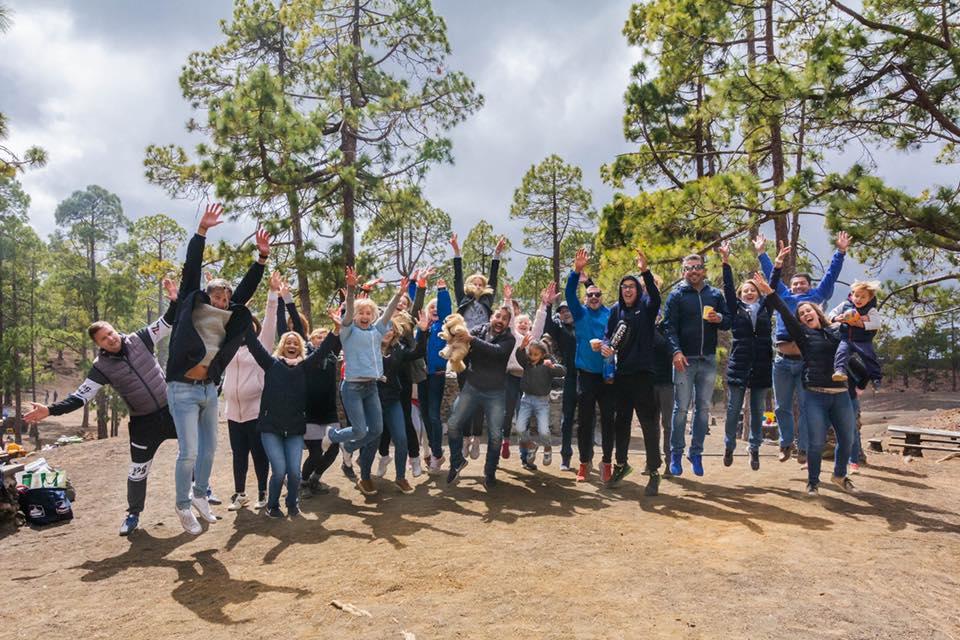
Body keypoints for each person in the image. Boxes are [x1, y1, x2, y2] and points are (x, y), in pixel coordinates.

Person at [24, 278, 180, 536]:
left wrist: (174, 299)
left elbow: (167, 322)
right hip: (143, 422)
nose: (110, 339)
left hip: (172, 410)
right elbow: (80, 397)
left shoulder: (140, 338)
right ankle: (133, 514)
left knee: (194, 450)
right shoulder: (101, 367)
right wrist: (49, 411)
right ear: (99, 345)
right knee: (138, 469)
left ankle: (200, 492)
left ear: (115, 329)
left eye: (110, 333)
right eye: (103, 339)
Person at [165, 202, 271, 535]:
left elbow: (247, 289)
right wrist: (202, 232)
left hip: (209, 389)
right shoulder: (191, 304)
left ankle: (199, 496)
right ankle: (182, 505)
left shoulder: (232, 315)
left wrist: (262, 258)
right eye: (217, 295)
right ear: (206, 295)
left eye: (226, 297)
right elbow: (191, 268)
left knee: (210, 449)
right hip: (181, 388)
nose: (222, 301)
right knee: (189, 451)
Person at [750, 272, 858, 496]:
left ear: (817, 312)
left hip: (840, 394)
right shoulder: (803, 336)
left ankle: (839, 475)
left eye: (808, 310)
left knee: (847, 439)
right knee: (816, 443)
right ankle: (813, 482)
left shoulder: (835, 332)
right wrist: (770, 292)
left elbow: (853, 344)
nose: (805, 313)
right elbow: (783, 312)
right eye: (801, 314)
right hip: (816, 394)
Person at [756, 231, 850, 464]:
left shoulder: (818, 296)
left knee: (808, 407)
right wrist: (762, 254)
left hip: (807, 362)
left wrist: (840, 252)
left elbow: (830, 276)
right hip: (782, 361)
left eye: (803, 284)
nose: (798, 286)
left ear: (809, 286)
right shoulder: (784, 296)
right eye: (795, 284)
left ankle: (804, 448)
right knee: (781, 407)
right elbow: (771, 275)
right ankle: (785, 443)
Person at [243, 315, 342, 518]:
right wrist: (243, 318)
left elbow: (324, 350)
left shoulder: (305, 367)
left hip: (295, 429)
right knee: (279, 471)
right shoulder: (270, 364)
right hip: (271, 428)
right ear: (282, 346)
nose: (291, 345)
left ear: (300, 348)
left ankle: (292, 503)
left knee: (295, 473)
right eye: (287, 342)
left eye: (295, 343)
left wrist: (337, 328)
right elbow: (253, 345)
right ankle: (273, 506)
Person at [325, 269, 407, 459]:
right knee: (360, 430)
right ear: (355, 315)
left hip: (371, 386)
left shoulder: (377, 330)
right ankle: (332, 435)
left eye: (368, 312)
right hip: (352, 387)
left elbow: (387, 314)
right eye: (361, 312)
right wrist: (352, 289)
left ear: (372, 316)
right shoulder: (348, 330)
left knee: (376, 430)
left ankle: (349, 447)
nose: (365, 315)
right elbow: (347, 315)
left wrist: (398, 294)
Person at [663, 253, 731, 477]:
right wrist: (675, 351)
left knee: (703, 410)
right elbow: (668, 327)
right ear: (684, 271)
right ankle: (676, 453)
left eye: (697, 267)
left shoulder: (715, 294)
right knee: (681, 409)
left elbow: (729, 320)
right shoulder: (676, 295)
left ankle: (696, 453)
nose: (693, 271)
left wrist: (719, 318)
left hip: (708, 360)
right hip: (684, 359)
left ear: (704, 270)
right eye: (689, 268)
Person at [601, 249, 661, 493]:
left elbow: (655, 298)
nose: (627, 290)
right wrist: (605, 346)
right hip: (622, 375)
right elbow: (608, 336)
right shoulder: (616, 310)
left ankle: (654, 470)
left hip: (644, 374)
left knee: (648, 423)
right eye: (624, 286)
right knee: (621, 422)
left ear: (638, 289)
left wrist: (645, 271)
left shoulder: (646, 307)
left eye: (631, 286)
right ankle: (621, 464)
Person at [718, 241, 781, 471]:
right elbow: (727, 287)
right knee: (734, 408)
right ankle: (728, 445)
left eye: (753, 289)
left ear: (758, 292)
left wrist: (776, 263)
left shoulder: (766, 307)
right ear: (741, 294)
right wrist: (726, 262)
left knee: (757, 411)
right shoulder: (735, 309)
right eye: (746, 290)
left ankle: (754, 448)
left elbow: (772, 286)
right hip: (740, 364)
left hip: (762, 364)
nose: (749, 292)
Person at [221, 271, 281, 511]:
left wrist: (273, 293)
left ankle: (262, 492)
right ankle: (239, 493)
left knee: (258, 453)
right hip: (233, 411)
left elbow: (269, 319)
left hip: (256, 409)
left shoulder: (261, 345)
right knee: (238, 454)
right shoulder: (227, 346)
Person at [444, 305, 516, 488]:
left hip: (496, 393)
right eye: (497, 316)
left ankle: (490, 472)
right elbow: (462, 349)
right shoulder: (477, 330)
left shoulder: (509, 339)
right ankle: (457, 461)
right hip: (472, 388)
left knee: (495, 436)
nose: (500, 321)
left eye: (504, 319)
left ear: (508, 323)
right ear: (491, 317)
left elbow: (497, 352)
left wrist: (472, 340)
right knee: (453, 424)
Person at [359, 311, 429, 495]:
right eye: (384, 327)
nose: (388, 331)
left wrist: (423, 331)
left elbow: (418, 352)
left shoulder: (398, 350)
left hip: (392, 400)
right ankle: (364, 477)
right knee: (373, 441)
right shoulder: (367, 346)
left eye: (391, 328)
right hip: (372, 400)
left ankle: (400, 477)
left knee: (401, 438)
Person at [450, 233, 507, 458]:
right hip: (462, 350)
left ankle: (475, 437)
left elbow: (493, 278)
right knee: (465, 394)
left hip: (481, 348)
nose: (478, 284)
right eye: (474, 282)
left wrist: (496, 255)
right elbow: (457, 276)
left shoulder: (486, 301)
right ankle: (465, 439)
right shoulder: (462, 299)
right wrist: (457, 251)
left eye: (481, 283)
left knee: (479, 393)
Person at [565, 248, 613, 483]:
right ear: (585, 298)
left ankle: (607, 463)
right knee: (584, 421)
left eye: (597, 295)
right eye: (590, 295)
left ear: (602, 297)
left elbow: (619, 337)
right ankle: (584, 462)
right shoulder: (580, 313)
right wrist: (577, 271)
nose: (594, 298)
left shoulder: (610, 314)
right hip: (585, 374)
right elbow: (568, 293)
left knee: (607, 419)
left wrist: (609, 346)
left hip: (607, 374)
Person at [375, 269, 429, 479]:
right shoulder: (380, 323)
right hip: (381, 376)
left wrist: (421, 287)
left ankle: (414, 459)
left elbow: (417, 310)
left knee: (405, 419)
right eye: (398, 302)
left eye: (404, 304)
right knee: (383, 422)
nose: (401, 306)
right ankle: (383, 456)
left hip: (402, 374)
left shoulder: (407, 322)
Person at [828, 280, 884, 472]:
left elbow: (876, 323)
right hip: (830, 392)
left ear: (870, 298)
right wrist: (839, 319)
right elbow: (831, 317)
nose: (858, 299)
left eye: (862, 296)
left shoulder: (871, 311)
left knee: (851, 425)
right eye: (855, 295)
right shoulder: (844, 308)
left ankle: (854, 459)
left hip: (850, 391)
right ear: (851, 295)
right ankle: (839, 371)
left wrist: (860, 322)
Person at [500, 283, 548, 460]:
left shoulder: (532, 338)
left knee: (523, 417)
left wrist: (543, 305)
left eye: (527, 323)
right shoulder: (512, 335)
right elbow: (510, 319)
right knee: (506, 412)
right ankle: (504, 441)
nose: (524, 325)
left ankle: (524, 454)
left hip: (526, 381)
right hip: (510, 378)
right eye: (521, 322)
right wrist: (507, 300)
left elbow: (540, 323)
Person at [301, 326, 344, 496]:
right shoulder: (306, 356)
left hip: (329, 411)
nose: (322, 338)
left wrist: (345, 304)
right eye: (318, 336)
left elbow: (340, 334)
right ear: (310, 340)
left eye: (325, 336)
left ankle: (315, 479)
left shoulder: (333, 356)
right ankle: (303, 483)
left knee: (333, 449)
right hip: (310, 412)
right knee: (316, 452)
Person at [515, 335, 566, 470]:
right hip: (526, 399)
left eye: (536, 354)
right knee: (520, 429)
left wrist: (553, 365)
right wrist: (522, 347)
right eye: (530, 354)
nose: (532, 357)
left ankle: (547, 448)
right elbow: (519, 357)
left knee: (543, 430)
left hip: (542, 402)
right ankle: (531, 444)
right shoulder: (527, 363)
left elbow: (562, 371)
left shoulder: (547, 364)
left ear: (543, 354)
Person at [420, 277, 452, 474]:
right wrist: (417, 284)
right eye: (431, 306)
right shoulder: (423, 327)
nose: (434, 309)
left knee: (433, 415)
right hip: (422, 375)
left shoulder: (442, 325)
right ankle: (436, 453)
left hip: (437, 374)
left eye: (436, 307)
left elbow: (446, 309)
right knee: (425, 415)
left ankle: (437, 452)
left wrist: (442, 291)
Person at [544, 293, 577, 471]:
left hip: (588, 375)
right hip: (570, 377)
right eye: (562, 311)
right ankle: (566, 457)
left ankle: (588, 457)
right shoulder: (559, 329)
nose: (565, 313)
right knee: (567, 418)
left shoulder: (583, 325)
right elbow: (547, 326)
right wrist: (548, 305)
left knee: (589, 418)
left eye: (568, 309)